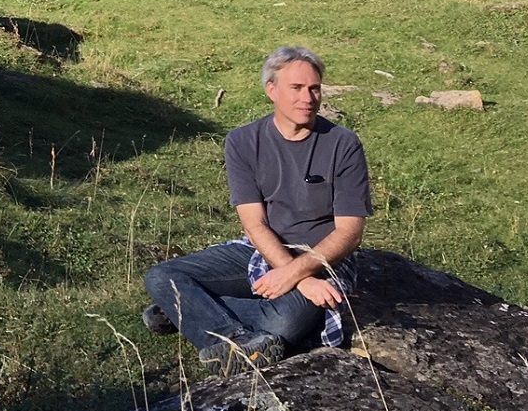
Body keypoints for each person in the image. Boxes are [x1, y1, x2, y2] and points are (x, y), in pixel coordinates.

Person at [142, 46, 372, 372]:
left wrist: (299, 273)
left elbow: (350, 233)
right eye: (296, 88)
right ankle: (232, 336)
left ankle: (187, 312)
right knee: (163, 276)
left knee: (285, 323)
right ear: (272, 90)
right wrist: (296, 278)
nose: (308, 97)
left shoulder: (343, 144)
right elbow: (255, 224)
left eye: (314, 88)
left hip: (324, 258)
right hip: (261, 249)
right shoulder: (242, 141)